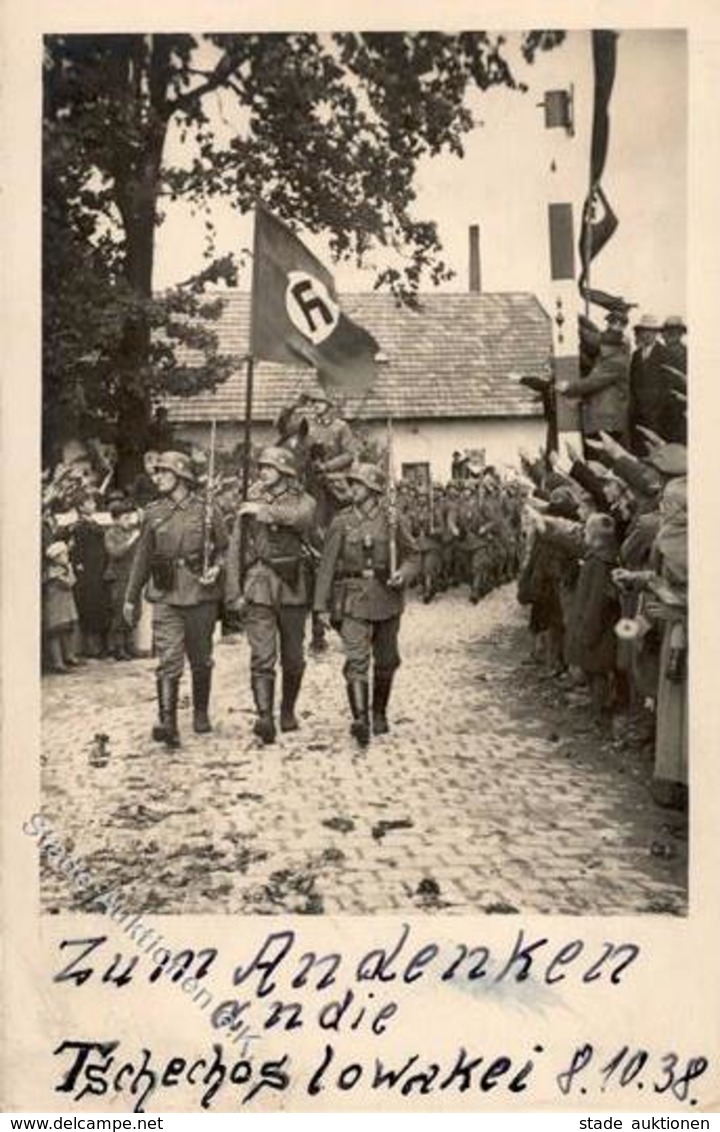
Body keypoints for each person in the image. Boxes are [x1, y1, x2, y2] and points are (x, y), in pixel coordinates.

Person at [123, 450, 228, 749]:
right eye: (157, 473)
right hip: (165, 594)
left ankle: (200, 712)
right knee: (168, 658)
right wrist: (131, 598)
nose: (158, 478)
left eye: (164, 472)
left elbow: (224, 548)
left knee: (200, 658)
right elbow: (142, 559)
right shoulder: (154, 512)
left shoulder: (207, 510)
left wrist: (217, 568)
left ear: (181, 476)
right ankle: (167, 722)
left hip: (200, 593)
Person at [313, 463, 419, 747]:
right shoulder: (342, 521)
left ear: (373, 490)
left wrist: (404, 574)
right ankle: (360, 719)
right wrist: (320, 606)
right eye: (352, 484)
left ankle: (379, 712)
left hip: (387, 597)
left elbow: (413, 556)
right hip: (353, 597)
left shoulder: (393, 520)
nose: (352, 489)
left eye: (358, 484)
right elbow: (327, 566)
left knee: (386, 661)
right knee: (357, 659)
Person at [225, 446, 316, 745]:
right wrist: (234, 591)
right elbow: (236, 548)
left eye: (268, 467)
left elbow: (302, 519)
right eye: (260, 467)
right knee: (262, 656)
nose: (262, 472)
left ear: (285, 472)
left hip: (293, 585)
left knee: (293, 658)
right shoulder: (249, 501)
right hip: (259, 582)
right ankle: (264, 716)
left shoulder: (303, 500)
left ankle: (287, 710)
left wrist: (262, 511)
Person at [556, 315, 630, 453]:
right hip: (602, 421)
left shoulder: (616, 361)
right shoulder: (609, 357)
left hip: (606, 423)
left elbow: (593, 382)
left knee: (602, 461)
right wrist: (579, 318)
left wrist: (569, 388)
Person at [628, 314, 674, 452]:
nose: (647, 335)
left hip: (659, 416)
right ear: (640, 333)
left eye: (651, 331)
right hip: (638, 415)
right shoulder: (636, 355)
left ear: (656, 333)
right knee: (640, 451)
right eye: (644, 331)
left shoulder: (666, 354)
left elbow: (668, 386)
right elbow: (633, 384)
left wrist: (657, 410)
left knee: (658, 452)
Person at [104, 497, 141, 660]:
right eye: (125, 518)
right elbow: (115, 552)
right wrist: (131, 540)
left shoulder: (131, 531)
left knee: (133, 612)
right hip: (119, 578)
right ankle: (118, 648)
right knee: (119, 612)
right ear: (116, 519)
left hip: (132, 577)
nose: (129, 521)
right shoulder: (111, 533)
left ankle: (129, 645)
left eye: (129, 517)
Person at [42, 540, 81, 673]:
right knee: (55, 633)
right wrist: (70, 569)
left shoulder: (63, 569)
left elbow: (73, 580)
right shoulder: (53, 572)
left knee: (67, 630)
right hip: (55, 605)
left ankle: (69, 656)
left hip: (65, 604)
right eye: (64, 555)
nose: (67, 557)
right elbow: (69, 583)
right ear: (56, 557)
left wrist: (69, 569)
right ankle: (58, 662)